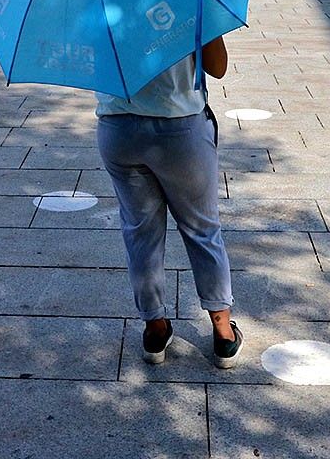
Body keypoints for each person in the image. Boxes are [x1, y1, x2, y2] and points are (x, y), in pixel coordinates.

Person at [96, 38, 243, 368]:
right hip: (180, 127)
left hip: (118, 128)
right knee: (202, 229)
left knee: (140, 232)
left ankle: (155, 329)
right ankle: (223, 333)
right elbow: (217, 68)